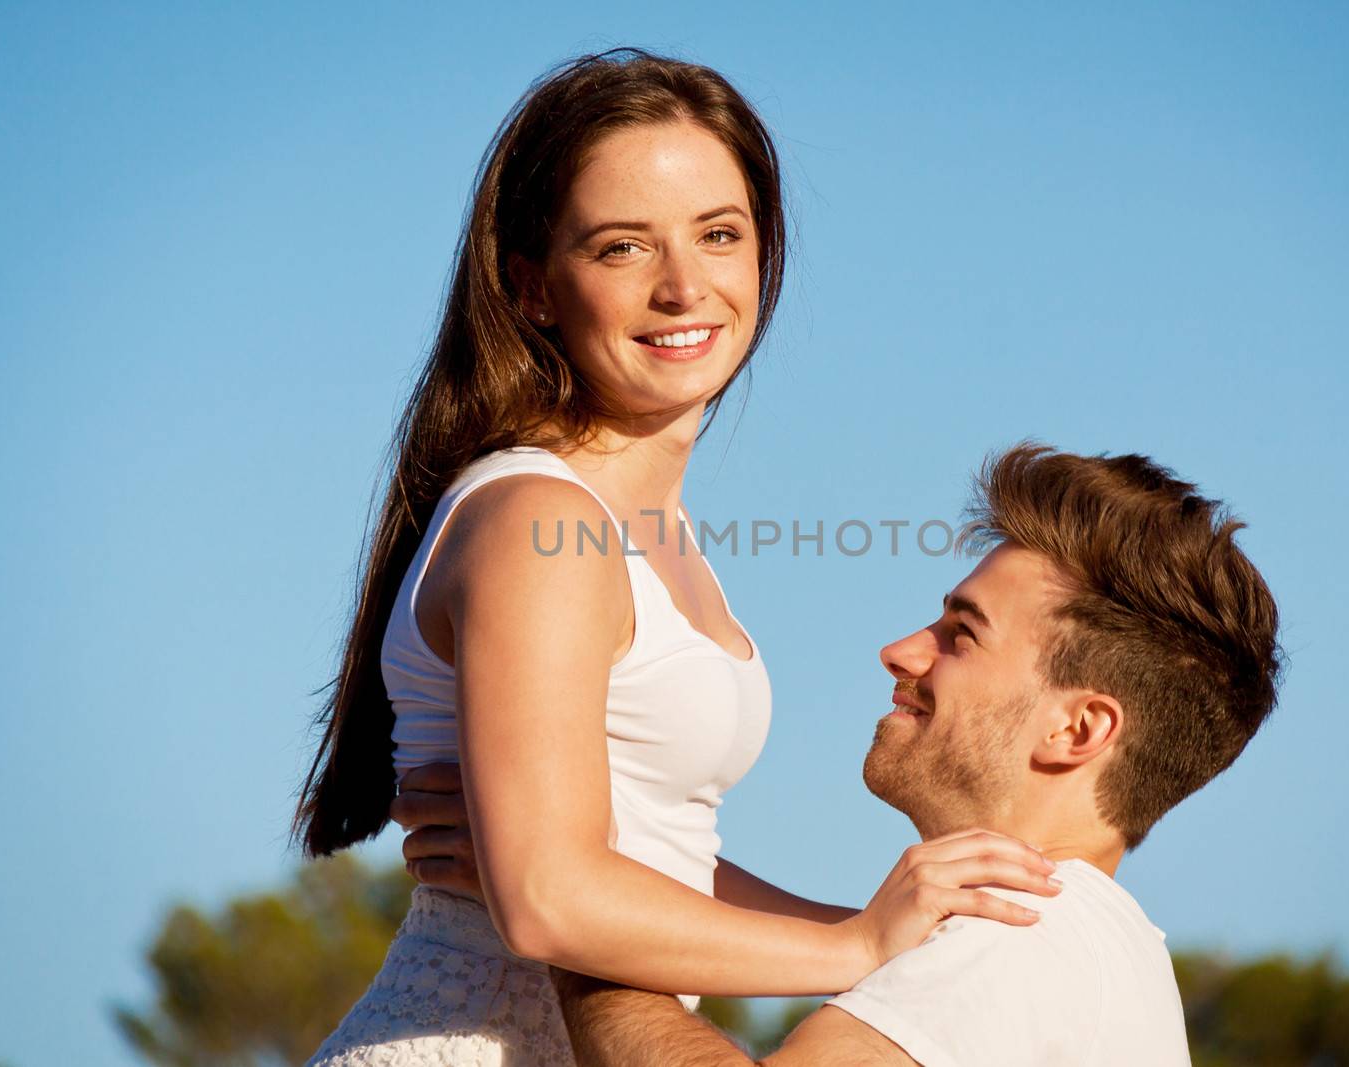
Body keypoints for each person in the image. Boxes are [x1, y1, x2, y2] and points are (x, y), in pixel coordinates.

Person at [296, 50, 1057, 1066]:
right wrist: (855, 940)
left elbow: (654, 856)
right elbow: (551, 898)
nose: (683, 286)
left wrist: (898, 942)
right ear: (531, 285)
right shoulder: (534, 520)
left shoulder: (655, 532)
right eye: (621, 248)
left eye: (719, 234)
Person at [398, 442, 1283, 1065]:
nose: (902, 649)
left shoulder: (1023, 933)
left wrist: (578, 933)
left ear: (1077, 730)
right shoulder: (1091, 948)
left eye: (961, 634)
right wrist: (555, 856)